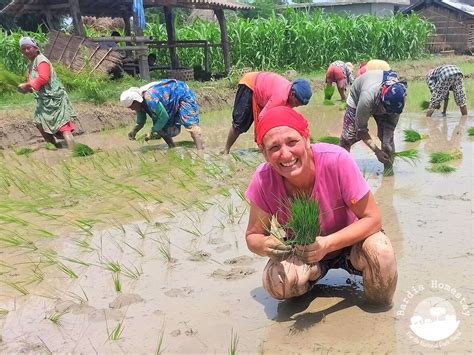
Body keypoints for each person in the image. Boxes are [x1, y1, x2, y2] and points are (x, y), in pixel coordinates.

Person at [245, 106, 397, 306]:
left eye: (292, 142)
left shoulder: (337, 160)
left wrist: (327, 244)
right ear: (264, 153)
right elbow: (253, 236)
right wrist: (266, 245)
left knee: (382, 254)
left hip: (352, 245)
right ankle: (309, 283)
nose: (285, 154)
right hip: (305, 250)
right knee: (276, 281)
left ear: (306, 139)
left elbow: (373, 219)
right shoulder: (264, 180)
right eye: (274, 148)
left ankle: (378, 315)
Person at [222, 72, 312, 154]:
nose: (296, 106)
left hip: (263, 91)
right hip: (250, 85)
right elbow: (262, 117)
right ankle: (226, 150)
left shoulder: (289, 96)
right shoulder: (280, 97)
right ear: (292, 94)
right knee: (240, 123)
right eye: (297, 103)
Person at [339, 70, 406, 173]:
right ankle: (342, 171)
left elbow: (391, 124)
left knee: (387, 141)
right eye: (385, 111)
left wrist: (387, 141)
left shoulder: (398, 99)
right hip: (358, 98)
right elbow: (361, 130)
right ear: (381, 101)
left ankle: (388, 173)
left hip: (382, 101)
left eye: (391, 113)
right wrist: (377, 151)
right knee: (347, 139)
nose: (388, 114)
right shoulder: (367, 98)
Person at [17, 37, 75, 149]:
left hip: (54, 99)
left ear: (36, 48)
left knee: (63, 128)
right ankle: (55, 147)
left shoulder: (41, 60)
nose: (26, 51)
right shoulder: (30, 65)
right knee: (40, 124)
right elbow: (34, 85)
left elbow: (44, 78)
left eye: (28, 48)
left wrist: (27, 85)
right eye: (23, 49)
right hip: (43, 101)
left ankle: (74, 152)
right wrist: (25, 89)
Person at [120, 80, 204, 151]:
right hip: (169, 99)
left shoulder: (149, 98)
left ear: (136, 101)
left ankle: (200, 151)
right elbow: (141, 120)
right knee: (159, 125)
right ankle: (172, 147)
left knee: (190, 124)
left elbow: (164, 117)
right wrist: (134, 130)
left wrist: (152, 131)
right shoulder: (140, 103)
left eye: (131, 106)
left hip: (181, 93)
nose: (131, 109)